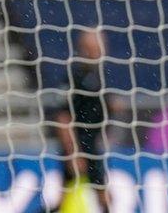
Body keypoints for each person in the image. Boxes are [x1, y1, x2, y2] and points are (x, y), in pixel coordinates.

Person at [51, 28, 111, 213]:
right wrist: (73, 151)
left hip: (92, 147)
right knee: (69, 199)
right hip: (79, 147)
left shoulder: (98, 77)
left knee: (104, 199)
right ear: (84, 48)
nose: (99, 51)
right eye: (94, 47)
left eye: (101, 46)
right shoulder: (74, 77)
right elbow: (62, 117)